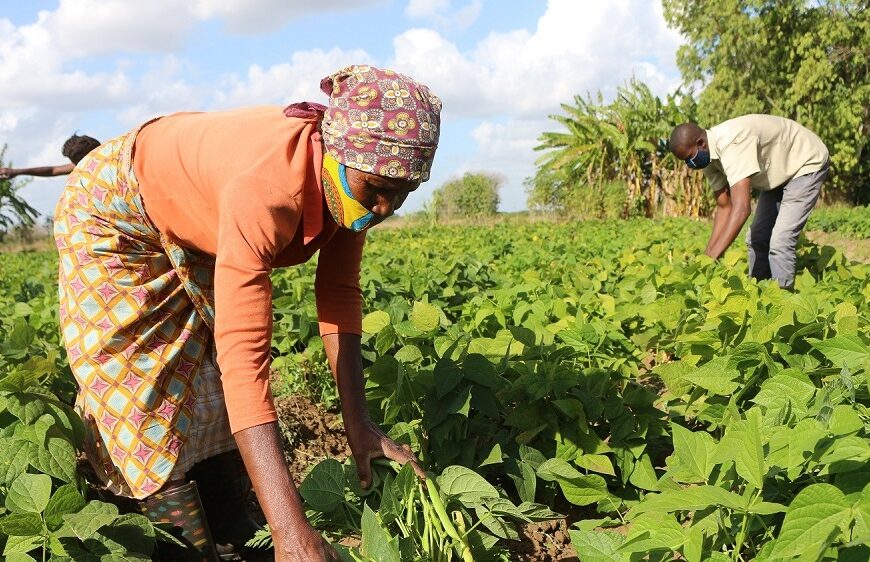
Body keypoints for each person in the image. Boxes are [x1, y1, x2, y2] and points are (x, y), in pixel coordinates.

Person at [53, 64, 441, 562]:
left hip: (195, 214)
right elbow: (246, 359)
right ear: (336, 153)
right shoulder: (267, 188)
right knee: (141, 380)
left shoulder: (354, 179)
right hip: (113, 212)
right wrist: (290, 529)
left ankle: (232, 519)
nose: (387, 207)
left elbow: (339, 293)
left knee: (202, 375)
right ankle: (173, 541)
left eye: (404, 191)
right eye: (378, 189)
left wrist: (360, 425)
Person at [669, 115, 829, 289]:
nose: (689, 164)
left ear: (701, 143)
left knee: (780, 241)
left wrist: (713, 255)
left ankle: (784, 302)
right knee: (757, 238)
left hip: (804, 162)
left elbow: (742, 209)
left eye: (689, 157)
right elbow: (724, 206)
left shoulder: (732, 142)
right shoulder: (707, 158)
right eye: (685, 161)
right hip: (777, 173)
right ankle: (760, 294)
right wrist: (707, 256)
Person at [0, 134, 101, 179]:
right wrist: (16, 172)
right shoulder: (89, 162)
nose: (77, 166)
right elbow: (52, 170)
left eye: (77, 162)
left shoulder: (113, 159)